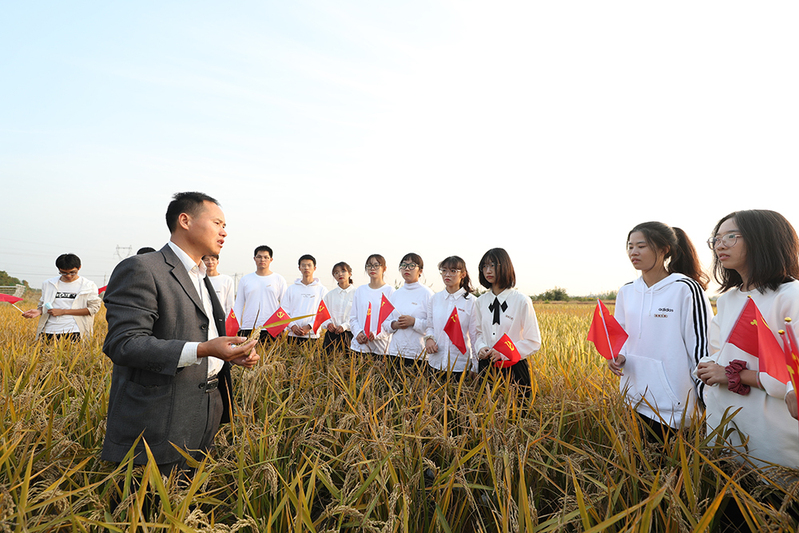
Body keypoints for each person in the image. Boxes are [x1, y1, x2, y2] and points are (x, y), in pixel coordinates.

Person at [101, 192, 259, 474]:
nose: (224, 232)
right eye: (218, 223)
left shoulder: (201, 276)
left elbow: (200, 333)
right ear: (185, 220)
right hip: (158, 417)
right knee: (148, 507)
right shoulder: (142, 268)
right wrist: (204, 350)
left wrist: (226, 357)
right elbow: (124, 343)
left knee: (188, 501)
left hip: (206, 409)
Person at [696, 209, 799, 468]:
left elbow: (793, 377)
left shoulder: (791, 296)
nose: (720, 244)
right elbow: (718, 352)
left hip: (772, 432)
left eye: (731, 236)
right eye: (716, 238)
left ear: (763, 239)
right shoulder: (728, 299)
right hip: (726, 422)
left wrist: (735, 375)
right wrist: (709, 366)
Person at [607, 222, 713, 441]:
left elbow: (701, 347)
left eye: (641, 246)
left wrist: (708, 398)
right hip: (634, 398)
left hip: (675, 406)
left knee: (674, 471)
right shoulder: (626, 291)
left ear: (664, 249)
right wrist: (618, 354)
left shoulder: (685, 288)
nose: (633, 252)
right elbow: (621, 335)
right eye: (630, 246)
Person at [473, 248, 541, 386]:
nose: (488, 271)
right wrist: (480, 347)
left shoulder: (521, 301)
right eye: (484, 266)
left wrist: (503, 353)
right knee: (485, 406)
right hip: (486, 366)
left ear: (504, 266)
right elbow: (479, 333)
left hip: (514, 366)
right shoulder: (481, 301)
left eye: (492, 265)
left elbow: (533, 341)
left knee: (516, 407)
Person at [22, 253, 102, 341]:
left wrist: (63, 311)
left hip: (75, 330)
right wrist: (39, 311)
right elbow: (44, 304)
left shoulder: (88, 285)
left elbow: (93, 309)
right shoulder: (49, 284)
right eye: (63, 272)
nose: (68, 276)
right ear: (59, 269)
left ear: (79, 267)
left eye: (72, 272)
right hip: (49, 330)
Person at [425, 256, 478, 380]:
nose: (447, 274)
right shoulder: (434, 299)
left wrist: (475, 366)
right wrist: (429, 339)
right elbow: (430, 326)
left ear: (463, 274)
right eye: (444, 271)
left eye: (453, 271)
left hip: (460, 365)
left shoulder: (472, 302)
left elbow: (475, 336)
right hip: (435, 362)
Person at [383, 253, 435, 367]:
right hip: (395, 352)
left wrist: (414, 322)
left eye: (412, 265)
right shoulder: (396, 294)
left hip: (418, 354)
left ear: (420, 271)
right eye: (404, 265)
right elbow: (385, 323)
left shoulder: (427, 294)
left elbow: (434, 326)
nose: (407, 268)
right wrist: (395, 325)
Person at [232, 245, 287, 342]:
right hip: (248, 326)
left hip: (271, 328)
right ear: (254, 258)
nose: (262, 259)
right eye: (259, 257)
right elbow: (239, 304)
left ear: (271, 259)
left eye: (266, 257)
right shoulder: (246, 279)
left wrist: (282, 327)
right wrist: (236, 326)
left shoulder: (278, 279)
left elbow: (285, 305)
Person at [349, 254, 395, 356]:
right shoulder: (360, 290)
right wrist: (358, 333)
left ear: (384, 268)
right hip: (360, 346)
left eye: (376, 265)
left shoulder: (390, 291)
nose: (372, 268)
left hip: (381, 348)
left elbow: (392, 321)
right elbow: (353, 317)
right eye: (369, 266)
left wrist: (376, 334)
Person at [283, 254, 328, 344]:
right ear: (299, 268)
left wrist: (309, 326)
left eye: (309, 265)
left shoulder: (322, 290)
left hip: (313, 336)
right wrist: (293, 326)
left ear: (314, 268)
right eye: (303, 265)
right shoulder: (291, 289)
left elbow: (324, 313)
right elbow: (283, 310)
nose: (306, 268)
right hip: (293, 335)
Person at [321, 262, 356, 354]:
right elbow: (322, 314)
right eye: (336, 272)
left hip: (350, 335)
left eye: (343, 271)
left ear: (350, 273)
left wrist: (345, 326)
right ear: (334, 276)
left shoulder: (357, 294)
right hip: (331, 335)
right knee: (327, 362)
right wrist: (328, 324)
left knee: (349, 364)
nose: (340, 274)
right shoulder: (329, 295)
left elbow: (360, 316)